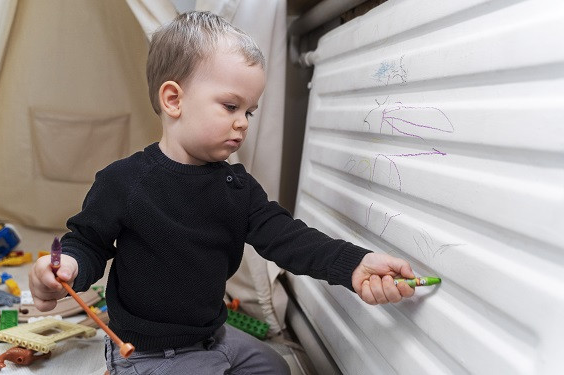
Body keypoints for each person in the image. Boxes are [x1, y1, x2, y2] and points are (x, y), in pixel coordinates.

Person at [29, 11, 416, 374]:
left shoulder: (238, 188)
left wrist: (353, 263)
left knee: (277, 367)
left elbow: (289, 238)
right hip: (148, 351)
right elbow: (89, 243)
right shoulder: (124, 181)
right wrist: (69, 269)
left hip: (213, 334)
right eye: (231, 105)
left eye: (248, 111)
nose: (242, 123)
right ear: (174, 99)